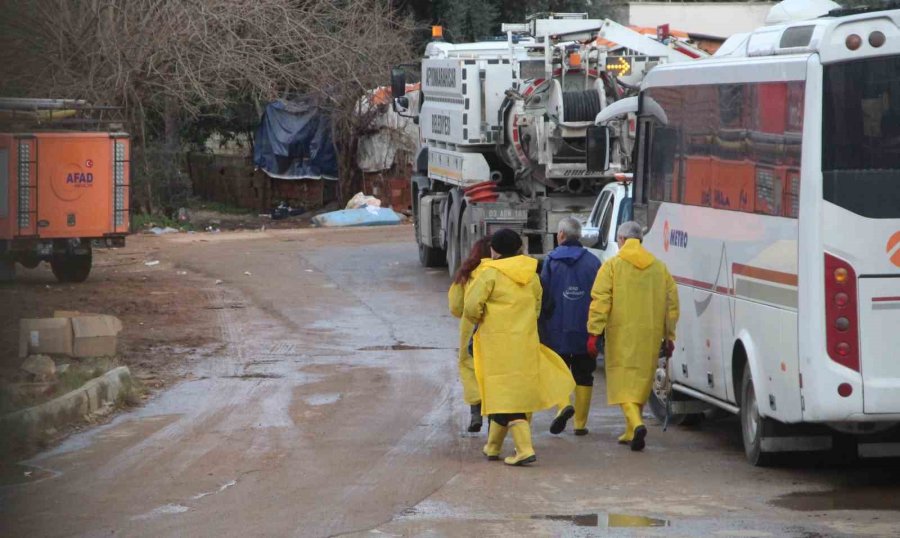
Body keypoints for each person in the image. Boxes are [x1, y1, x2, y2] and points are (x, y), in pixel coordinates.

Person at [464, 229, 575, 466]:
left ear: (494, 250)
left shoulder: (489, 274)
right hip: (524, 341)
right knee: (509, 393)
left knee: (505, 395)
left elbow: (472, 307)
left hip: (496, 343)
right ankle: (492, 446)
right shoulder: (531, 274)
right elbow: (536, 308)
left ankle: (524, 449)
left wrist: (484, 320)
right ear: (518, 248)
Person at [586, 221, 679, 451]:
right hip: (650, 333)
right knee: (640, 382)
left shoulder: (612, 266)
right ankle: (630, 430)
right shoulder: (659, 268)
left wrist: (593, 332)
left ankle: (636, 424)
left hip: (621, 334)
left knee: (622, 383)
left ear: (620, 240)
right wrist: (669, 335)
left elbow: (600, 301)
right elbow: (672, 305)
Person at [539, 217, 602, 436]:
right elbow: (600, 297)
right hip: (585, 329)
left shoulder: (551, 261)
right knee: (584, 374)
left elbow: (543, 295)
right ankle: (580, 424)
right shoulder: (593, 262)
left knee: (559, 371)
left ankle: (563, 405)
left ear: (562, 236)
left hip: (557, 328)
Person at [448, 237, 493, 432]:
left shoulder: (466, 274)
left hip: (470, 329)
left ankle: (475, 413)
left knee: (469, 367)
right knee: (491, 371)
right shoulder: (502, 273)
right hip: (495, 329)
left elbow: (456, 307)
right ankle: (494, 417)